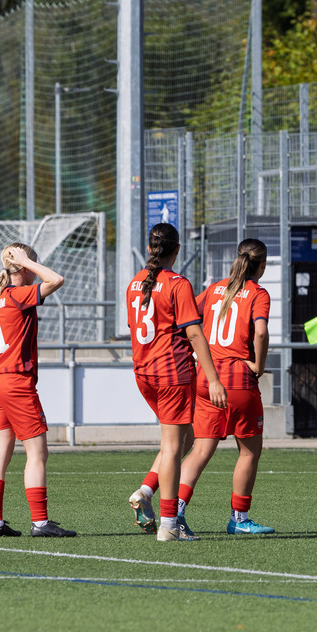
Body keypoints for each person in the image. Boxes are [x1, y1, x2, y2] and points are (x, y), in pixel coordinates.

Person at [126, 223, 226, 542]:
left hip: (145, 373)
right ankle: (169, 524)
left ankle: (146, 490)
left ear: (149, 247)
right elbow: (194, 334)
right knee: (172, 446)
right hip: (171, 372)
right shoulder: (177, 283)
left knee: (185, 437)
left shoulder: (134, 283)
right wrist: (213, 379)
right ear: (177, 249)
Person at [175, 239, 275, 535]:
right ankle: (239, 519)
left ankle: (174, 512)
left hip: (206, 378)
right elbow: (261, 332)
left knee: (200, 450)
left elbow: (186, 322)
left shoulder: (214, 288)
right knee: (249, 452)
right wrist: (259, 365)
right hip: (238, 379)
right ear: (262, 265)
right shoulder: (258, 293)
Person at [0, 244, 76, 538]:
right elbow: (56, 280)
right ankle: (41, 523)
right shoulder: (17, 296)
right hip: (15, 383)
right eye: (33, 263)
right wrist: (27, 262)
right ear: (23, 266)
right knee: (37, 453)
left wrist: (1, 360)